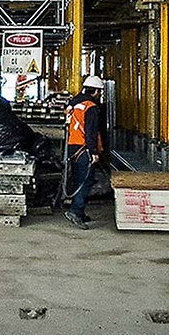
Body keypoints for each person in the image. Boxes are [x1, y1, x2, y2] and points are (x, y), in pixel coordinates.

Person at [63, 75, 106, 229]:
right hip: (84, 148)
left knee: (77, 179)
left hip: (73, 146)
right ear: (95, 91)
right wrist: (93, 152)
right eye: (99, 92)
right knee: (85, 181)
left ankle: (79, 212)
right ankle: (75, 211)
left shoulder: (73, 104)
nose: (100, 95)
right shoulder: (91, 107)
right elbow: (91, 132)